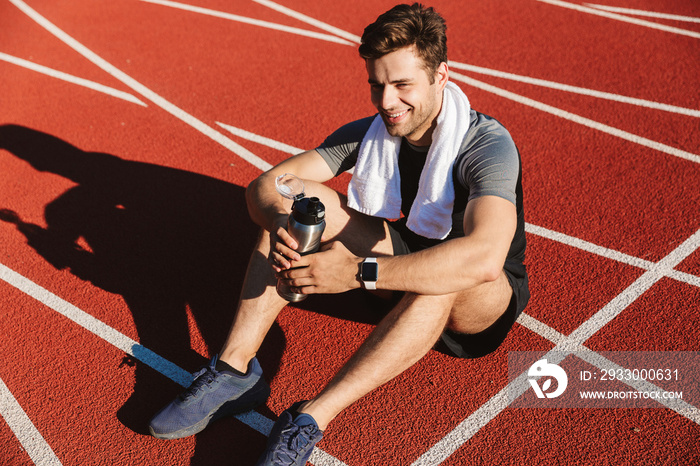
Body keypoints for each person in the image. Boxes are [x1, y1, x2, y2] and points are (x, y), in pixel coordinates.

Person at [149, 3, 529, 465]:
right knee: (299, 205)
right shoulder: (374, 132)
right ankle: (234, 371)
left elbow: (485, 257)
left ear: (441, 75)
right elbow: (266, 187)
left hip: (482, 297)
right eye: (377, 84)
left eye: (403, 85)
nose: (387, 102)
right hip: (397, 255)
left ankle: (309, 418)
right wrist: (285, 231)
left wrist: (357, 272)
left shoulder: (485, 145)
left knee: (442, 278)